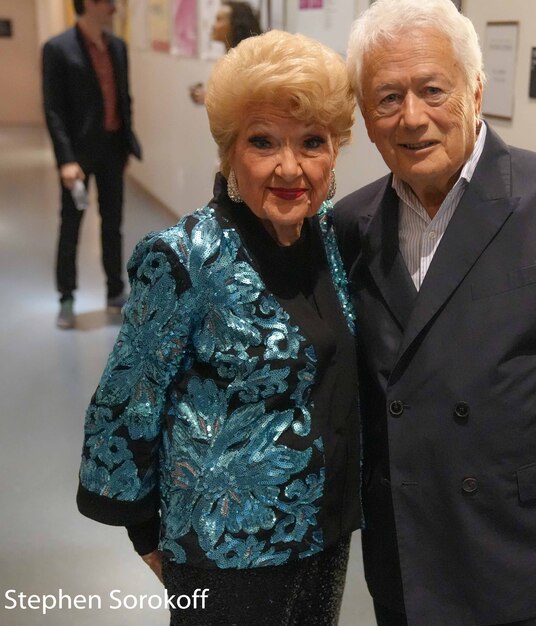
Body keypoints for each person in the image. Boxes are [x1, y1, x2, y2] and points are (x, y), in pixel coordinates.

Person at [332, 1, 536, 625]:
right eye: (387, 98)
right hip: (407, 555)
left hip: (523, 559)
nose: (412, 118)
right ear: (365, 118)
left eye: (432, 90)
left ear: (476, 90)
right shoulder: (350, 225)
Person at [77, 30, 360, 625]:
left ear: (336, 149)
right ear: (230, 152)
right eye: (264, 142)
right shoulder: (184, 258)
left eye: (312, 142)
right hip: (223, 560)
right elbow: (125, 403)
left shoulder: (332, 240)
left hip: (323, 540)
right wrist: (147, 537)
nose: (291, 167)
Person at [42, 0, 142, 329]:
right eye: (109, 2)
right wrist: (65, 159)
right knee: (71, 226)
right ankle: (66, 297)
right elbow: (53, 110)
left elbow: (124, 96)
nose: (115, 8)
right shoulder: (58, 49)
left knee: (113, 224)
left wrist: (127, 142)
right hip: (78, 155)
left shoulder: (118, 47)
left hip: (113, 149)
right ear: (90, 4)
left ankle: (115, 291)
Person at [189, 1, 262, 105]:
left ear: (234, 24)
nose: (214, 26)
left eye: (219, 19)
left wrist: (209, 98)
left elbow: (242, 102)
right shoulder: (229, 58)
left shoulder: (246, 61)